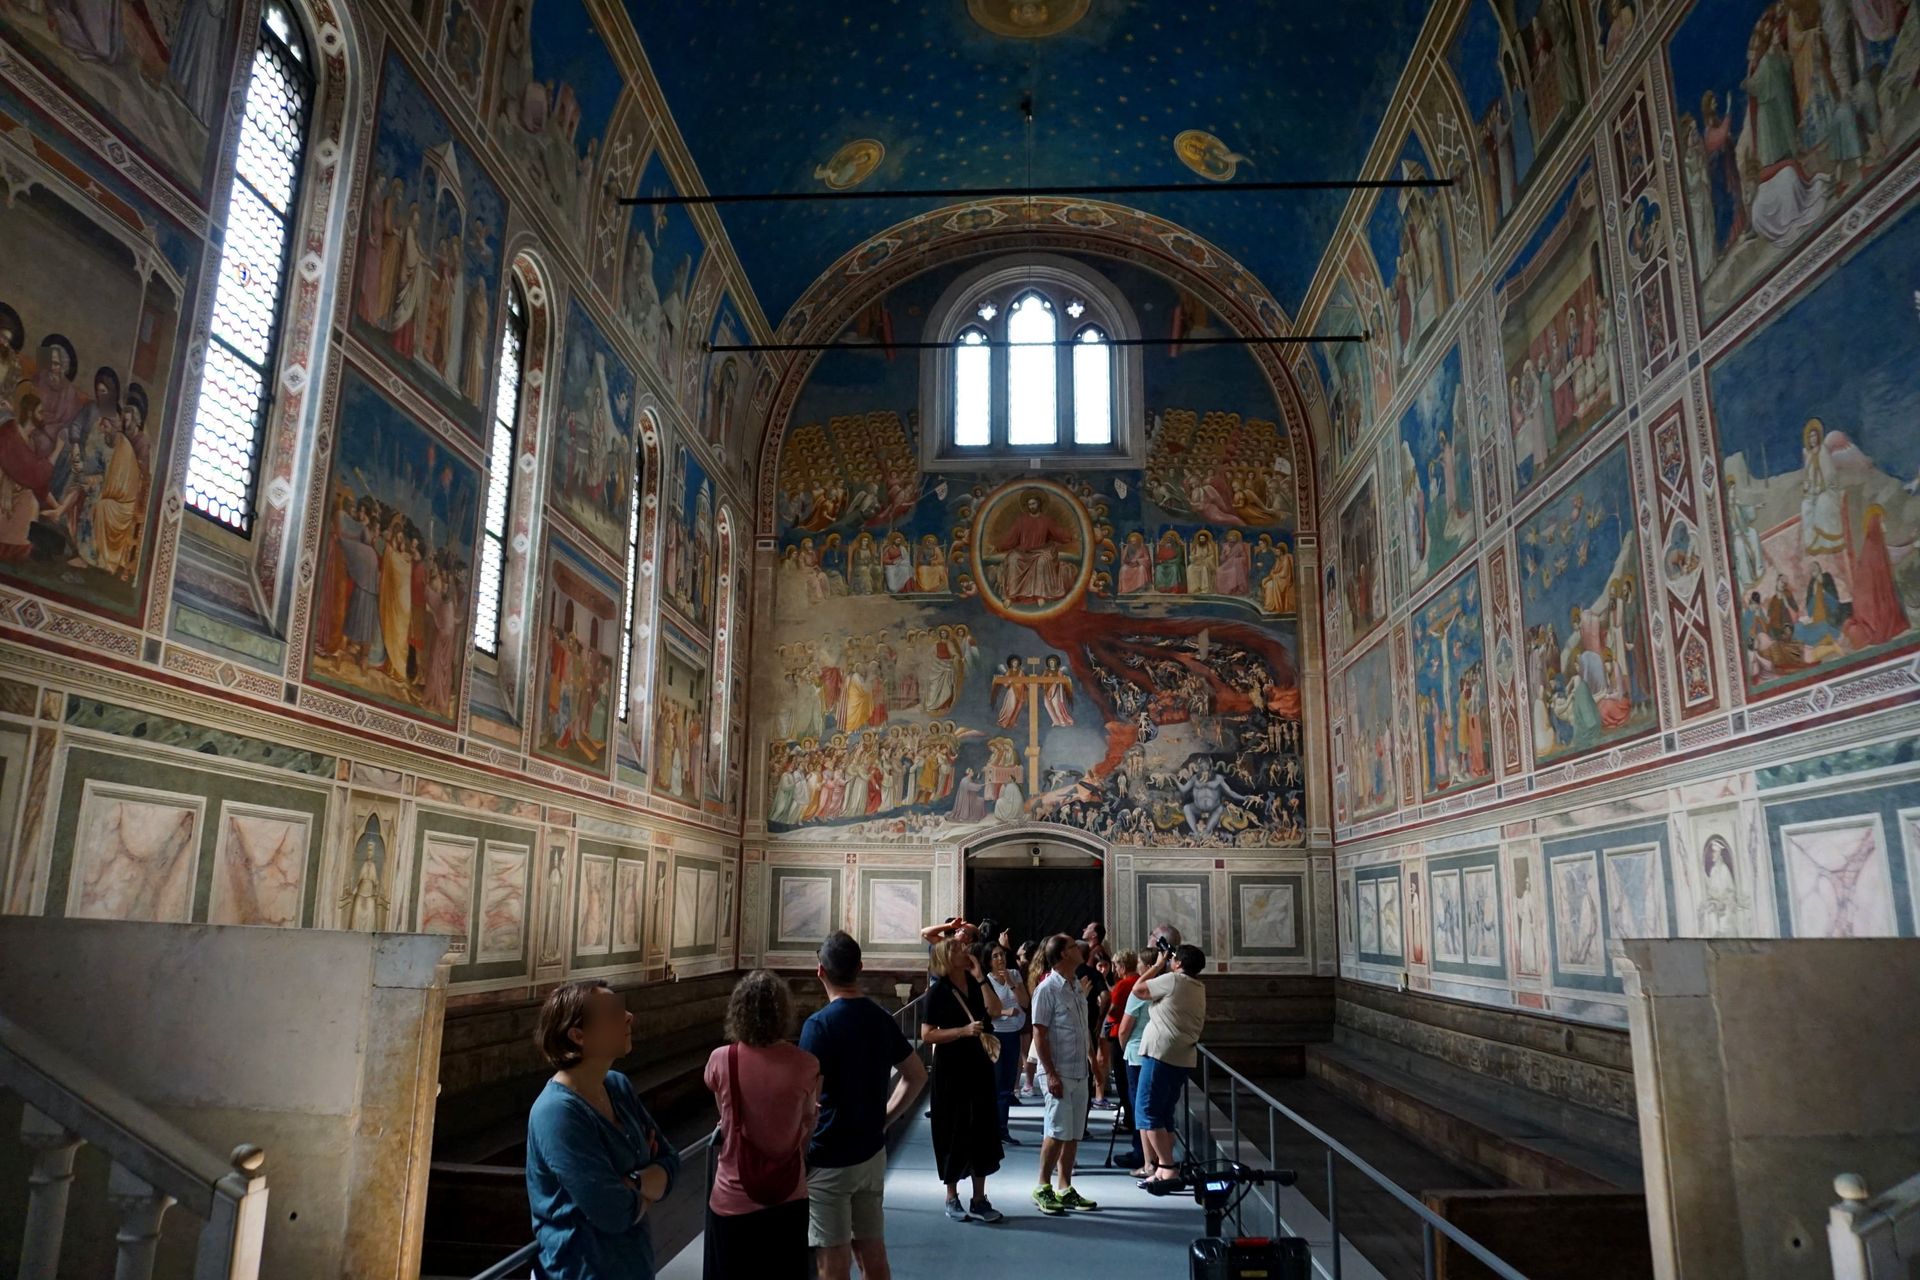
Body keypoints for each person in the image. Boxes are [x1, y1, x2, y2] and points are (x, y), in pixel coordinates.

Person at [525, 981, 681, 1279]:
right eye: (612, 1014)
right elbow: (613, 1212)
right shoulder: (557, 1112)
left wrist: (631, 1181)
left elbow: (671, 1162)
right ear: (578, 1035)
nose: (629, 1016)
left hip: (633, 1265)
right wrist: (648, 1180)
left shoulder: (617, 1086)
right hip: (580, 1270)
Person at [799, 931, 927, 1280]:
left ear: (820, 972)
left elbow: (809, 1102)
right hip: (871, 1154)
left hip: (829, 1157)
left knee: (832, 1262)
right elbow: (915, 1075)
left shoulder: (818, 1026)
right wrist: (884, 1118)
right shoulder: (880, 1017)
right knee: (872, 1253)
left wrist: (799, 1153)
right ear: (860, 968)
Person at [704, 970, 819, 1276]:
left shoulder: (721, 1060)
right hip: (789, 1194)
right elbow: (807, 1123)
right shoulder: (806, 1064)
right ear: (784, 1013)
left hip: (732, 1197)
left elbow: (726, 1117)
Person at [921, 938, 1006, 1223]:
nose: (964, 951)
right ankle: (951, 1196)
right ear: (945, 958)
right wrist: (962, 1031)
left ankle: (980, 1198)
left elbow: (994, 1010)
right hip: (951, 1069)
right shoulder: (939, 992)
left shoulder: (976, 983)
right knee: (953, 1127)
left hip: (979, 1065)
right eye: (957, 949)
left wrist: (982, 978)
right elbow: (928, 1034)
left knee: (982, 1126)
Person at [1029, 933, 1099, 1217]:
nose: (1079, 948)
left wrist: (1092, 1060)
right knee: (1056, 1130)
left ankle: (1064, 1186)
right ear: (1061, 955)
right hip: (1058, 1070)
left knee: (1073, 1133)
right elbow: (1039, 1033)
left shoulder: (1074, 986)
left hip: (1078, 1069)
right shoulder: (1047, 989)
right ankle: (1042, 1185)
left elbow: (1082, 1028)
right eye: (1072, 946)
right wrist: (1050, 1073)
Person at [1134, 944, 1209, 1186]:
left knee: (1148, 1112)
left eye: (1172, 959)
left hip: (1160, 1055)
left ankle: (1167, 1167)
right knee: (1165, 1113)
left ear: (1177, 963)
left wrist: (1156, 966)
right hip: (1181, 1057)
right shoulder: (1198, 986)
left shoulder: (1174, 980)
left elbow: (1138, 990)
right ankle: (1162, 1167)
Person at [1113, 946, 1164, 1178]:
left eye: (1141, 964)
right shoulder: (1163, 989)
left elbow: (1124, 1030)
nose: (1138, 968)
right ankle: (1159, 1159)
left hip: (1136, 1052)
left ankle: (1146, 1159)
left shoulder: (1139, 991)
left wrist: (1126, 1049)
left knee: (1140, 1108)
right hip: (1158, 1053)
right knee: (1156, 1107)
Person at [984, 943, 1029, 1145]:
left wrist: (1011, 983)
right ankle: (991, 1128)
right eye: (995, 956)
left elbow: (1025, 1002)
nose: (1000, 959)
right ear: (988, 961)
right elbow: (988, 1010)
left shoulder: (1014, 974)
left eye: (1002, 954)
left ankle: (1002, 1128)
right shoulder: (986, 981)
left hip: (1013, 1034)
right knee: (995, 1082)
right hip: (996, 1034)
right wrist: (1005, 1012)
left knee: (1008, 1084)